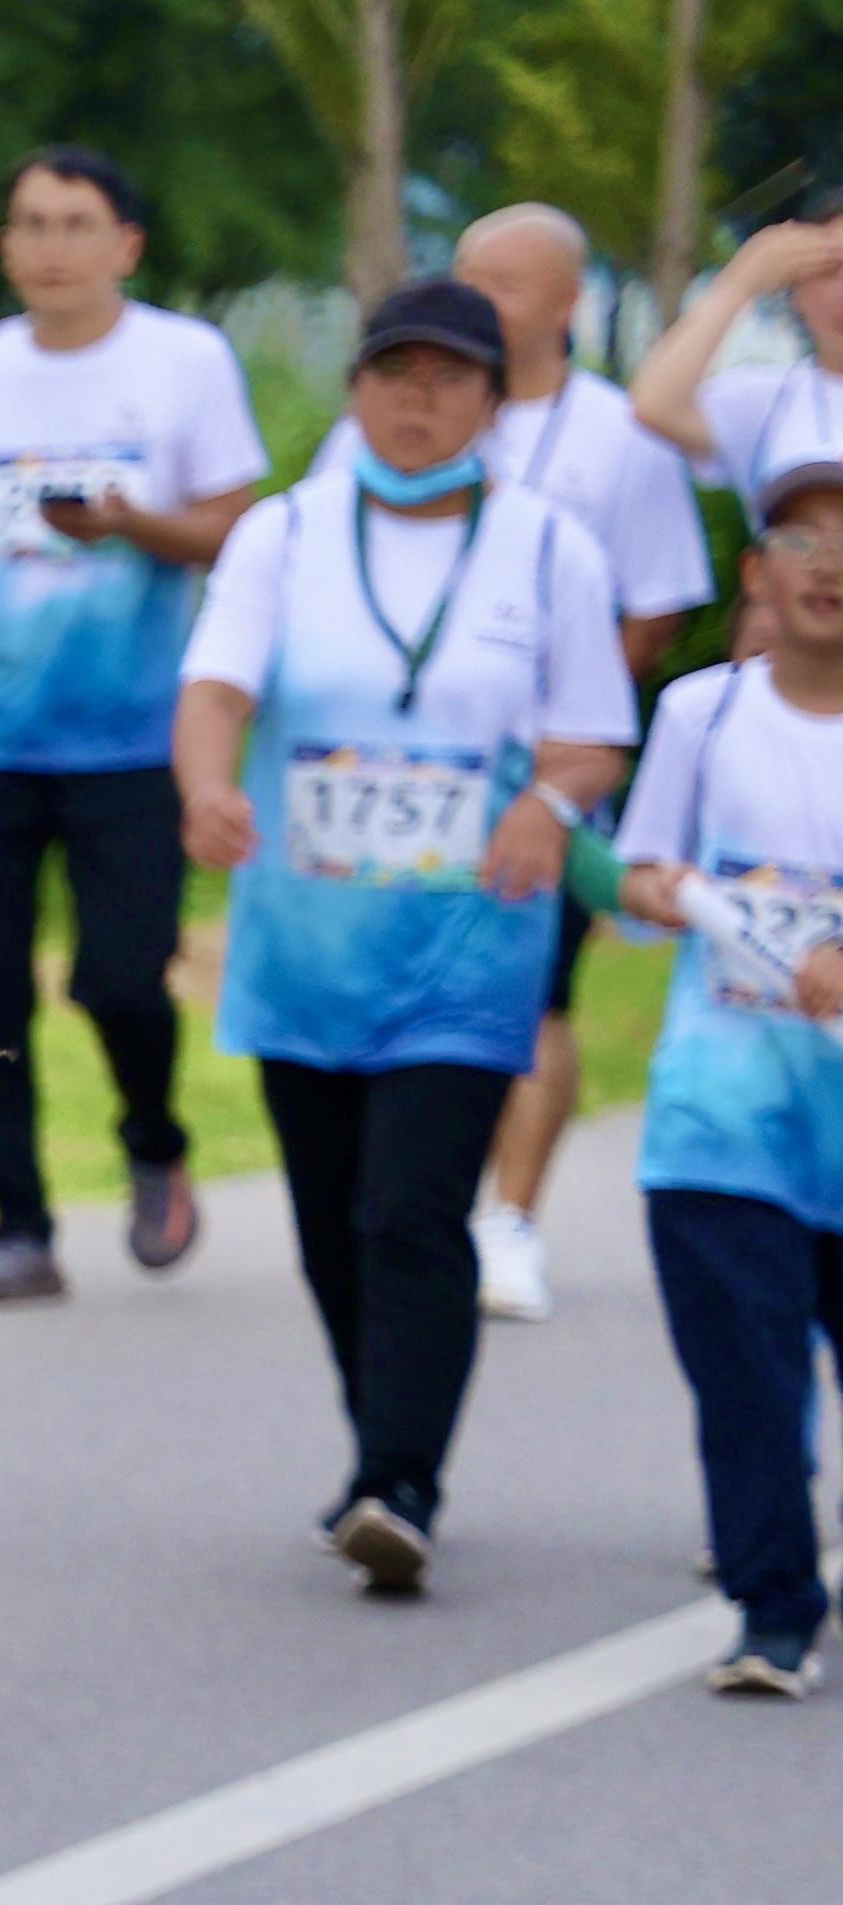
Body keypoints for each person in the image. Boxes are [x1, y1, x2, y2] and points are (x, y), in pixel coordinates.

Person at [175, 278, 638, 1597]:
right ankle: (378, 1441)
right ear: (354, 388)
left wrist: (549, 805)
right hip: (303, 941)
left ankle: (398, 1480)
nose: (414, 399)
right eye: (391, 373)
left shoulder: (547, 548)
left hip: (465, 940)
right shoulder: (283, 532)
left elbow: (590, 731)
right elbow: (214, 685)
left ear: (491, 398)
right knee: (328, 1224)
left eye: (445, 377)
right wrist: (203, 783)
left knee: (406, 1208)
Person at [0, 147, 270, 1302]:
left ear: (125, 244)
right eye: (26, 223)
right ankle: (19, 1226)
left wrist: (129, 525)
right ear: (4, 246)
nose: (47, 246)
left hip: (133, 738)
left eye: (73, 223)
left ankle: (153, 1137)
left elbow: (237, 533)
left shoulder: (182, 362)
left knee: (120, 979)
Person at [606, 454, 843, 1696]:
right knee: (745, 1376)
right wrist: (675, 893)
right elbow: (640, 876)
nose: (830, 569)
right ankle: (772, 1609)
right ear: (756, 574)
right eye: (803, 544)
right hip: (720, 1116)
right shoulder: (702, 714)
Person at [454, 204, 716, 1325]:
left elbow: (656, 608)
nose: (476, 303)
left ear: (565, 304)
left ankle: (507, 1220)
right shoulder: (411, 414)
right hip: (417, 766)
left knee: (533, 985)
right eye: (465, 278)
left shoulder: (617, 437)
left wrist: (564, 731)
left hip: (553, 772)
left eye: (502, 285)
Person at [630, 183, 843, 536]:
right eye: (830, 270)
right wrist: (739, 282)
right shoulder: (768, 401)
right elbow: (655, 403)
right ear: (797, 293)